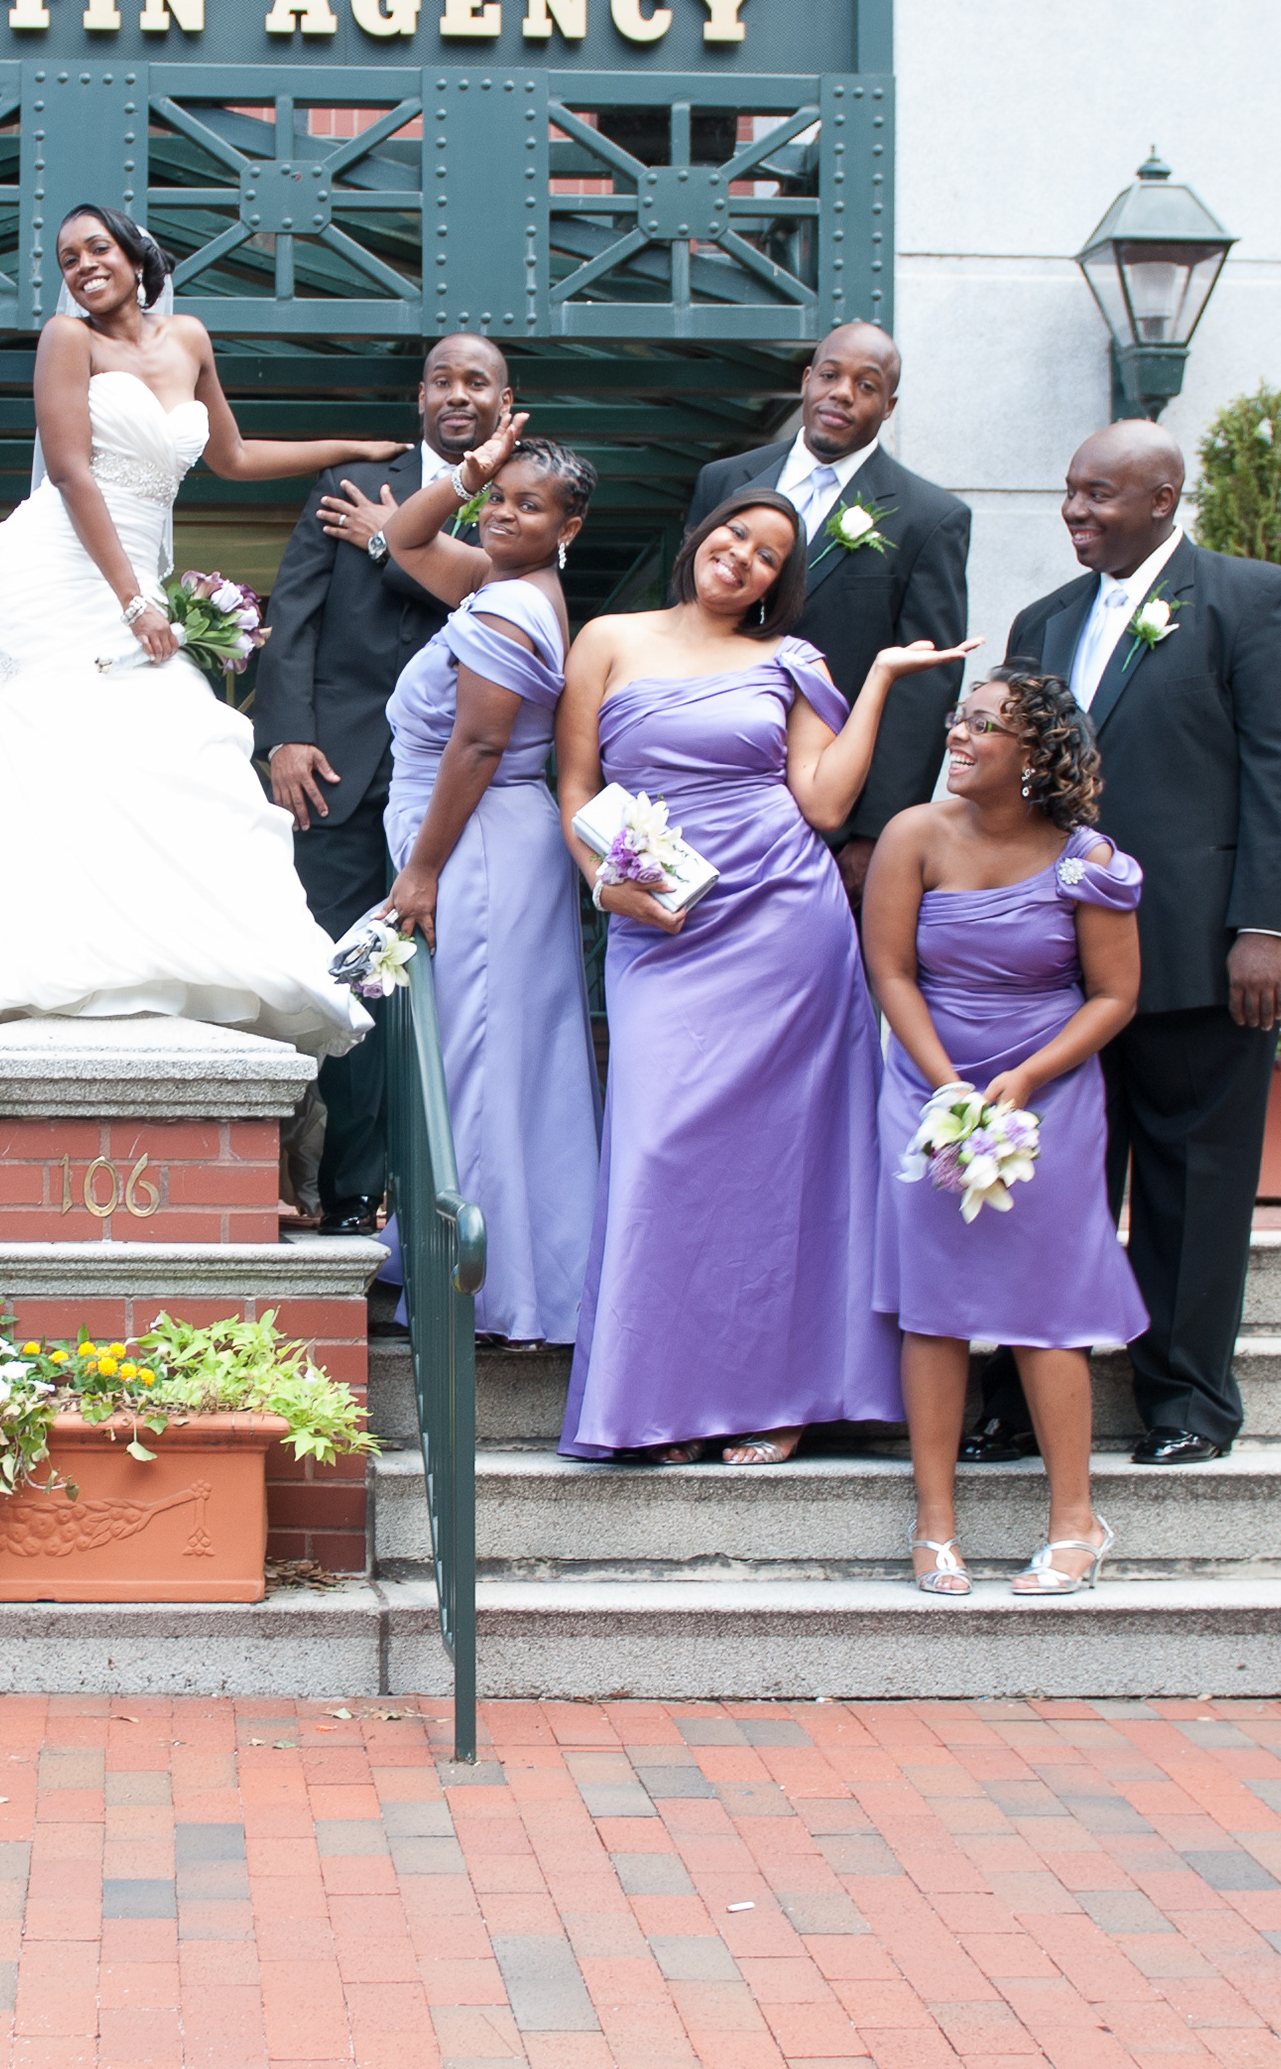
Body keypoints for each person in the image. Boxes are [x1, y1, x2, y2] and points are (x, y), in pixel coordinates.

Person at [0, 203, 408, 1100]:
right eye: (67, 256)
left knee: (159, 745)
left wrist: (351, 446)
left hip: (136, 562)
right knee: (68, 740)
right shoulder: (66, 339)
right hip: (62, 564)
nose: (82, 265)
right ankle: (37, 971)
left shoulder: (190, 338)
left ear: (138, 257)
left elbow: (233, 455)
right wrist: (134, 598)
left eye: (96, 247)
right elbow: (70, 472)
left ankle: (133, 967)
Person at [553, 490, 977, 1463]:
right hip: (660, 924)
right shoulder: (607, 639)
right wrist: (606, 886)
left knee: (782, 1168)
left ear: (777, 585)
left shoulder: (790, 661)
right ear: (702, 538)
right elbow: (576, 786)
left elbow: (823, 804)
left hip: (786, 925)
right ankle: (660, 1398)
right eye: (736, 534)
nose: (744, 555)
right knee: (660, 1147)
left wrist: (877, 680)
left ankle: (781, 1395)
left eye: (770, 555)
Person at [995, 419, 1281, 1466]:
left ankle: (1187, 1402)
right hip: (1057, 967)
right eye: (1070, 490)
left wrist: (1264, 927)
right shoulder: (1042, 621)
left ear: (1163, 499)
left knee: (1195, 1183)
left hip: (1199, 954)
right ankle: (1023, 1401)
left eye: (1098, 494)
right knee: (1049, 1185)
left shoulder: (1252, 599)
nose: (1075, 511)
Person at [862, 667, 1147, 1597]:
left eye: (983, 725)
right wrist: (946, 1083)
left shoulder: (1085, 859)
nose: (959, 734)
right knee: (934, 1303)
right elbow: (890, 970)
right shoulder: (914, 834)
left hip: (1047, 1092)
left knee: (1048, 1302)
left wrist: (1025, 1078)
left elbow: (1114, 994)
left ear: (1035, 754)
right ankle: (934, 1524)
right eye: (961, 717)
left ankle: (1076, 1523)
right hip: (928, 1082)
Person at [257, 332, 513, 1229]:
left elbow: (504, 605)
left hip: (464, 784)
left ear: (504, 401)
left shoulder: (517, 499)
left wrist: (386, 539)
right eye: (442, 380)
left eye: (476, 381)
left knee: (453, 989)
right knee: (341, 976)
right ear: (420, 398)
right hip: (338, 771)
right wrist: (286, 735)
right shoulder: (351, 483)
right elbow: (293, 610)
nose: (457, 394)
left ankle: (442, 1188)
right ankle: (349, 1189)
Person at [357, 411, 601, 1345]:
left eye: (528, 505)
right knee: (493, 1057)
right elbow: (403, 536)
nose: (502, 513)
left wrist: (422, 870)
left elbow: (479, 744)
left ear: (568, 526)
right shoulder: (504, 582)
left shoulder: (508, 606)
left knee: (477, 1059)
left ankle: (487, 1293)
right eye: (498, 498)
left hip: (476, 847)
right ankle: (501, 1272)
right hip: (482, 839)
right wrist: (470, 472)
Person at [681, 323, 974, 877]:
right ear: (806, 380)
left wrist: (874, 833)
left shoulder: (930, 519)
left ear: (889, 407)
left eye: (866, 386)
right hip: (706, 784)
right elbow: (685, 616)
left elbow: (922, 689)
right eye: (831, 375)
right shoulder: (723, 481)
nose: (842, 393)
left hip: (829, 811)